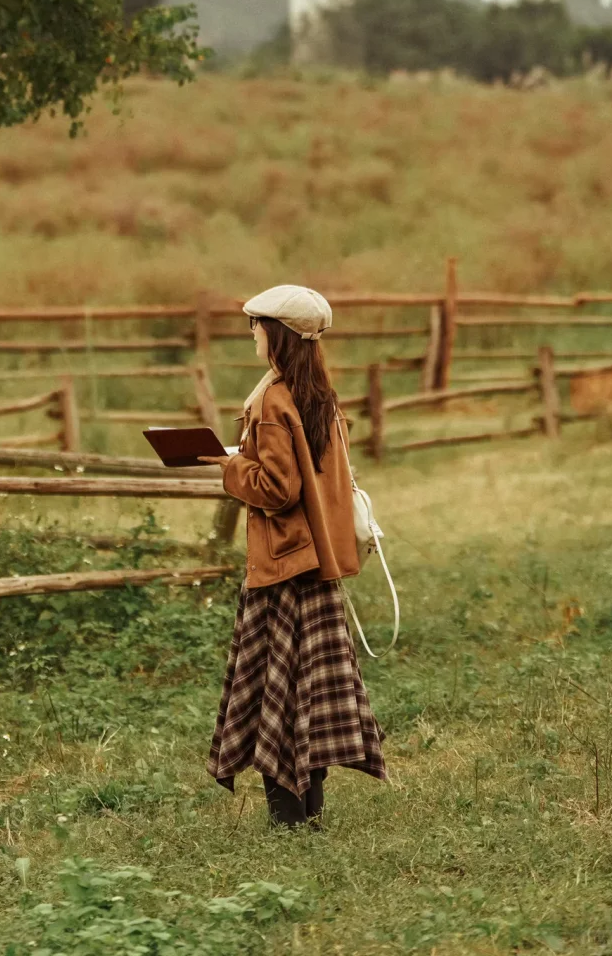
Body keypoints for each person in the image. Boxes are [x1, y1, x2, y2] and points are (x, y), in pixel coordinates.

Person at [202, 283, 386, 827]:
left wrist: (228, 464)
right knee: (307, 692)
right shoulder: (319, 394)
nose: (252, 334)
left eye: (256, 325)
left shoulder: (271, 399)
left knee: (275, 697)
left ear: (277, 334)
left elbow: (278, 490)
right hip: (318, 565)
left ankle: (288, 819)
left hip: (282, 567)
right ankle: (309, 812)